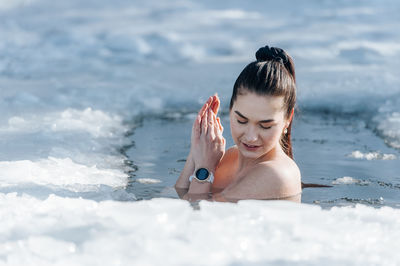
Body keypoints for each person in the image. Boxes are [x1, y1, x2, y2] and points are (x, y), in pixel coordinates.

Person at [175, 45, 302, 202]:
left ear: (287, 120)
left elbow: (195, 212)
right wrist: (198, 149)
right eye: (241, 120)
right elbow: (180, 195)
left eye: (265, 126)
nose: (250, 137)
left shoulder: (276, 174)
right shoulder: (230, 156)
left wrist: (204, 168)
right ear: (230, 110)